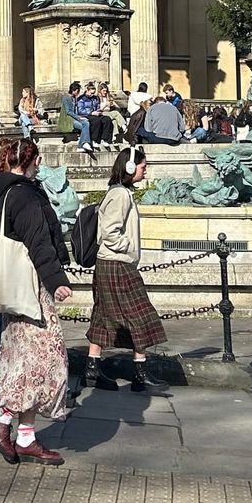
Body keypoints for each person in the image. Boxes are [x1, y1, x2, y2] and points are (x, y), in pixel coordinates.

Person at [0, 137, 74, 466]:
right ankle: (2, 417)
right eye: (38, 160)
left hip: (13, 292)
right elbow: (38, 243)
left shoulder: (1, 195)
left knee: (20, 362)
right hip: (31, 290)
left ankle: (26, 436)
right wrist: (57, 281)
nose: (40, 166)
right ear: (31, 160)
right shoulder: (25, 196)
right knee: (48, 361)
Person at [83, 143, 167, 394]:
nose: (146, 172)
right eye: (143, 167)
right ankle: (140, 373)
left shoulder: (118, 192)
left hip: (109, 263)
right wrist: (127, 246)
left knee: (104, 317)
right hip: (117, 263)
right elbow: (110, 232)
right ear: (130, 168)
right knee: (140, 315)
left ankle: (92, 368)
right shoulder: (120, 195)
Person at [61, 82, 92, 153]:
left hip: (74, 118)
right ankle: (84, 143)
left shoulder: (74, 98)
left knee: (86, 123)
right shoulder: (66, 98)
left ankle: (83, 145)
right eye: (78, 91)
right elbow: (68, 111)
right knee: (85, 125)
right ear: (74, 90)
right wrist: (79, 118)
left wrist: (81, 117)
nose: (78, 93)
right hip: (68, 120)